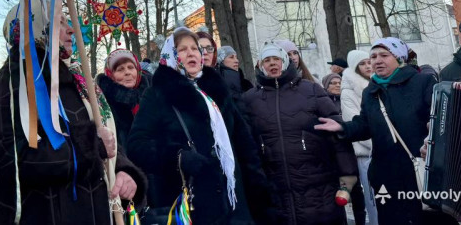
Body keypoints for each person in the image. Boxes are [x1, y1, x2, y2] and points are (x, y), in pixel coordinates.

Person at [0, 0, 146, 225]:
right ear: (33, 26)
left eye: (68, 22)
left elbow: (105, 136)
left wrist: (123, 170)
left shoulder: (79, 78)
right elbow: (12, 161)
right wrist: (89, 146)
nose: (70, 30)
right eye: (59, 21)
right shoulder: (11, 84)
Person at [128, 28, 275, 224]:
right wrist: (178, 157)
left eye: (195, 49)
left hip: (236, 199)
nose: (191, 53)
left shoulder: (217, 90)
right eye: (182, 49)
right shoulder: (157, 94)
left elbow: (243, 142)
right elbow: (137, 145)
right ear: (169, 55)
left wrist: (258, 185)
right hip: (193, 203)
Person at [315, 37, 438, 225]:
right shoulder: (371, 90)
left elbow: (437, 122)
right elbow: (365, 124)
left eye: (384, 55)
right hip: (385, 174)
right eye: (373, 56)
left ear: (399, 57)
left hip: (418, 171)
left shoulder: (422, 82)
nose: (377, 60)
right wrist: (342, 127)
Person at [242, 43, 357, 225]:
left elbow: (337, 135)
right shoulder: (249, 99)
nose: (272, 64)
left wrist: (347, 178)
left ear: (285, 62)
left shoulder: (311, 90)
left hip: (319, 190)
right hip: (276, 191)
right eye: (267, 60)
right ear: (260, 65)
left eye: (276, 59)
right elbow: (246, 146)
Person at [341, 50, 378, 225]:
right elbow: (356, 124)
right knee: (374, 200)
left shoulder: (377, 84)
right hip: (367, 153)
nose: (368, 66)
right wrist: (381, 144)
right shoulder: (348, 92)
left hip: (387, 152)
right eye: (362, 64)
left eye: (368, 61)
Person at [96, 48, 152, 154]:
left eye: (131, 67)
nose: (127, 72)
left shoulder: (153, 97)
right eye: (120, 69)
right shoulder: (103, 105)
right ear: (110, 74)